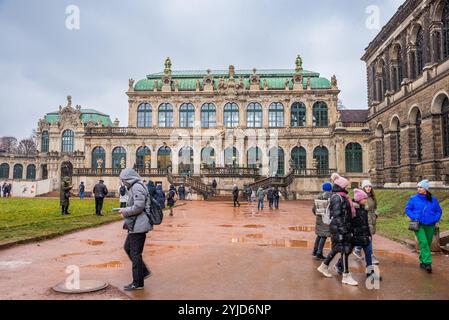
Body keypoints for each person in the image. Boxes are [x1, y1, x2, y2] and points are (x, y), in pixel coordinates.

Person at [317, 174, 358, 286]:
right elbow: (337, 215)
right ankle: (346, 275)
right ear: (341, 187)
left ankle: (323, 266)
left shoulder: (343, 197)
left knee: (337, 248)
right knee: (344, 249)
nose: (347, 188)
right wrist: (343, 228)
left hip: (342, 226)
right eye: (346, 186)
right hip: (340, 227)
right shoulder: (337, 197)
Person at [118, 168, 152, 291]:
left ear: (128, 178)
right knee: (128, 248)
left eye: (123, 179)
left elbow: (139, 207)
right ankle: (142, 272)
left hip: (139, 224)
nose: (122, 182)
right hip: (136, 224)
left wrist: (124, 211)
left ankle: (138, 282)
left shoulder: (137, 187)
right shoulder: (134, 186)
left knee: (135, 252)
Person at [405, 179, 443, 274]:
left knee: (427, 243)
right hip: (419, 225)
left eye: (421, 187)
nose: (418, 188)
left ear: (426, 188)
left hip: (430, 225)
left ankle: (422, 260)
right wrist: (414, 217)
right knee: (424, 243)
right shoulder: (413, 198)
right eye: (418, 187)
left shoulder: (433, 199)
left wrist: (435, 219)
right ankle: (428, 263)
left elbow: (439, 211)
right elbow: (407, 209)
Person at [352, 188, 381, 280]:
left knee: (368, 253)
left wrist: (368, 233)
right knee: (347, 251)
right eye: (364, 199)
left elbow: (365, 223)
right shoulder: (353, 210)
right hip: (355, 236)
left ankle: (370, 273)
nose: (366, 200)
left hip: (364, 235)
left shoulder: (363, 209)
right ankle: (340, 265)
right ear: (359, 199)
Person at [353, 180, 379, 265]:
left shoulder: (372, 197)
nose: (368, 188)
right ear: (363, 188)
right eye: (366, 187)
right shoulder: (360, 197)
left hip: (372, 219)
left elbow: (375, 207)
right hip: (365, 220)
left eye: (369, 186)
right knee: (368, 237)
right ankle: (370, 256)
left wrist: (375, 214)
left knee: (367, 237)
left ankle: (357, 249)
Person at [312, 182, 332, 260]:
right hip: (326, 218)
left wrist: (317, 214)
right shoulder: (331, 196)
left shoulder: (318, 196)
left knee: (319, 235)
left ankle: (315, 251)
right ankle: (319, 253)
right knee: (323, 235)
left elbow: (314, 209)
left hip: (319, 218)